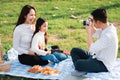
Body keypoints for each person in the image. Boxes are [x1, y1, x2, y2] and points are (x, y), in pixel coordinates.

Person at [71, 8, 118, 76]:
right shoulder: (108, 27)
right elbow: (95, 33)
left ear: (98, 22)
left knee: (78, 63)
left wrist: (89, 33)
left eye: (94, 21)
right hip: (96, 57)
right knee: (74, 50)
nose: (93, 22)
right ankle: (84, 67)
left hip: (103, 64)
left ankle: (82, 68)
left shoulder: (108, 36)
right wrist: (91, 26)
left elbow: (91, 49)